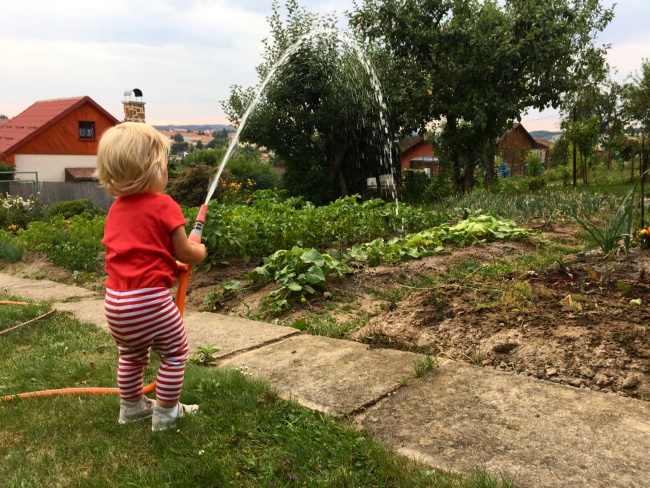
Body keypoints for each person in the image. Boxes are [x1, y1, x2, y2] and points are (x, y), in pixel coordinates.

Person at [95, 122, 207, 431]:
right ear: (153, 169)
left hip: (116, 303)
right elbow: (185, 252)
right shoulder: (163, 205)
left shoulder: (116, 209)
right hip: (148, 301)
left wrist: (168, 260)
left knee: (131, 356)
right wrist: (199, 251)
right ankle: (166, 414)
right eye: (165, 164)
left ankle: (131, 408)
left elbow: (140, 251)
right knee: (174, 353)